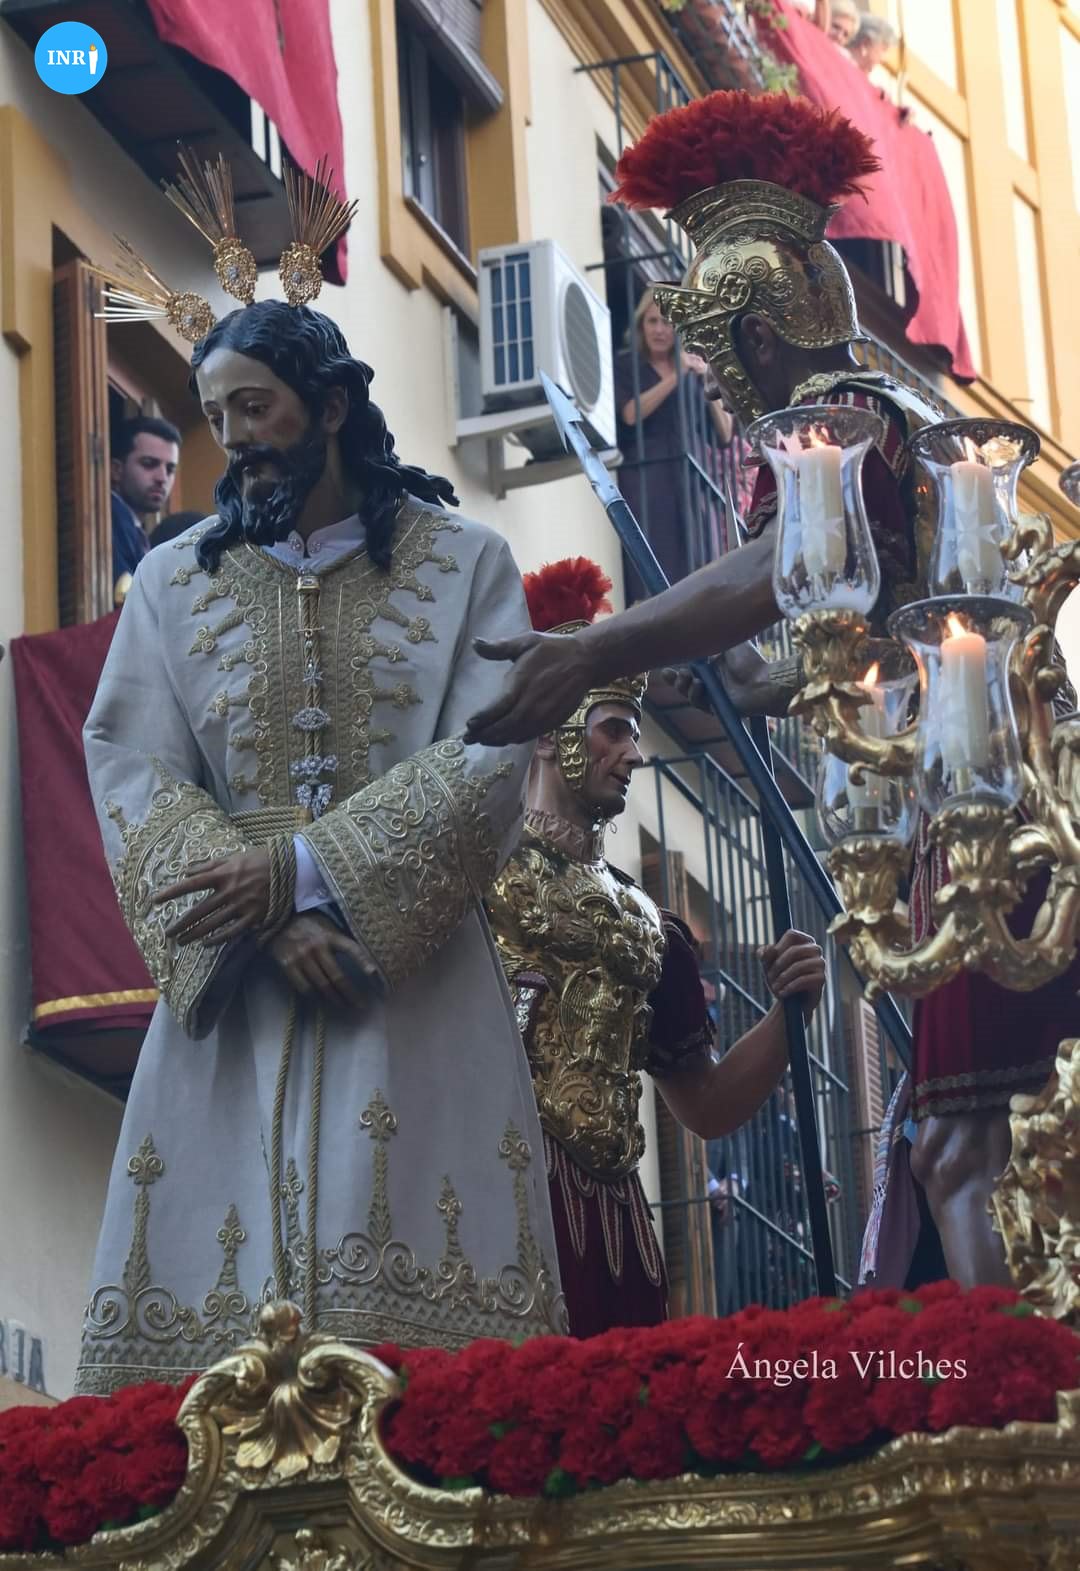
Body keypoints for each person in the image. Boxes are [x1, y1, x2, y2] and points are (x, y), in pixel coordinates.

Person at [463, 89, 1080, 1292]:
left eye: (709, 350)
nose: (710, 380)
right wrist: (660, 657)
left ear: (751, 332)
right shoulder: (897, 410)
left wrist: (597, 649)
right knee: (961, 1136)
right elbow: (769, 659)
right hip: (970, 794)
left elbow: (771, 575)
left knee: (967, 1140)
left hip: (979, 806)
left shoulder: (840, 423)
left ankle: (1009, 1390)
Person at [76, 162, 564, 1394]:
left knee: (425, 1368)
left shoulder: (465, 564)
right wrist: (259, 912)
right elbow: (127, 755)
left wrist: (306, 874)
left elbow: (495, 746)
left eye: (256, 407)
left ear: (332, 404)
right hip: (234, 991)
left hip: (408, 984)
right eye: (217, 413)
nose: (234, 438)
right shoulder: (174, 580)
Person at [484, 558, 826, 1336]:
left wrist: (789, 1013)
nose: (633, 754)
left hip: (618, 1226)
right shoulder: (480, 877)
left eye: (635, 735)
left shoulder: (652, 927)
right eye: (614, 729)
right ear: (550, 732)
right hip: (501, 1198)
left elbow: (706, 1104)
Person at [615, 288, 736, 599]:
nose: (659, 330)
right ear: (641, 325)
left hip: (693, 479)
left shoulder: (694, 369)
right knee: (657, 561)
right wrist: (676, 376)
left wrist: (706, 379)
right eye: (652, 321)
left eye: (667, 322)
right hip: (648, 477)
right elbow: (630, 414)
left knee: (700, 564)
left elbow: (725, 433)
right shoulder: (628, 365)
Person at [110, 416, 181, 596]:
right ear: (116, 470)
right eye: (149, 464)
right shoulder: (108, 520)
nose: (162, 478)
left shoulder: (132, 528)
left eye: (170, 469)